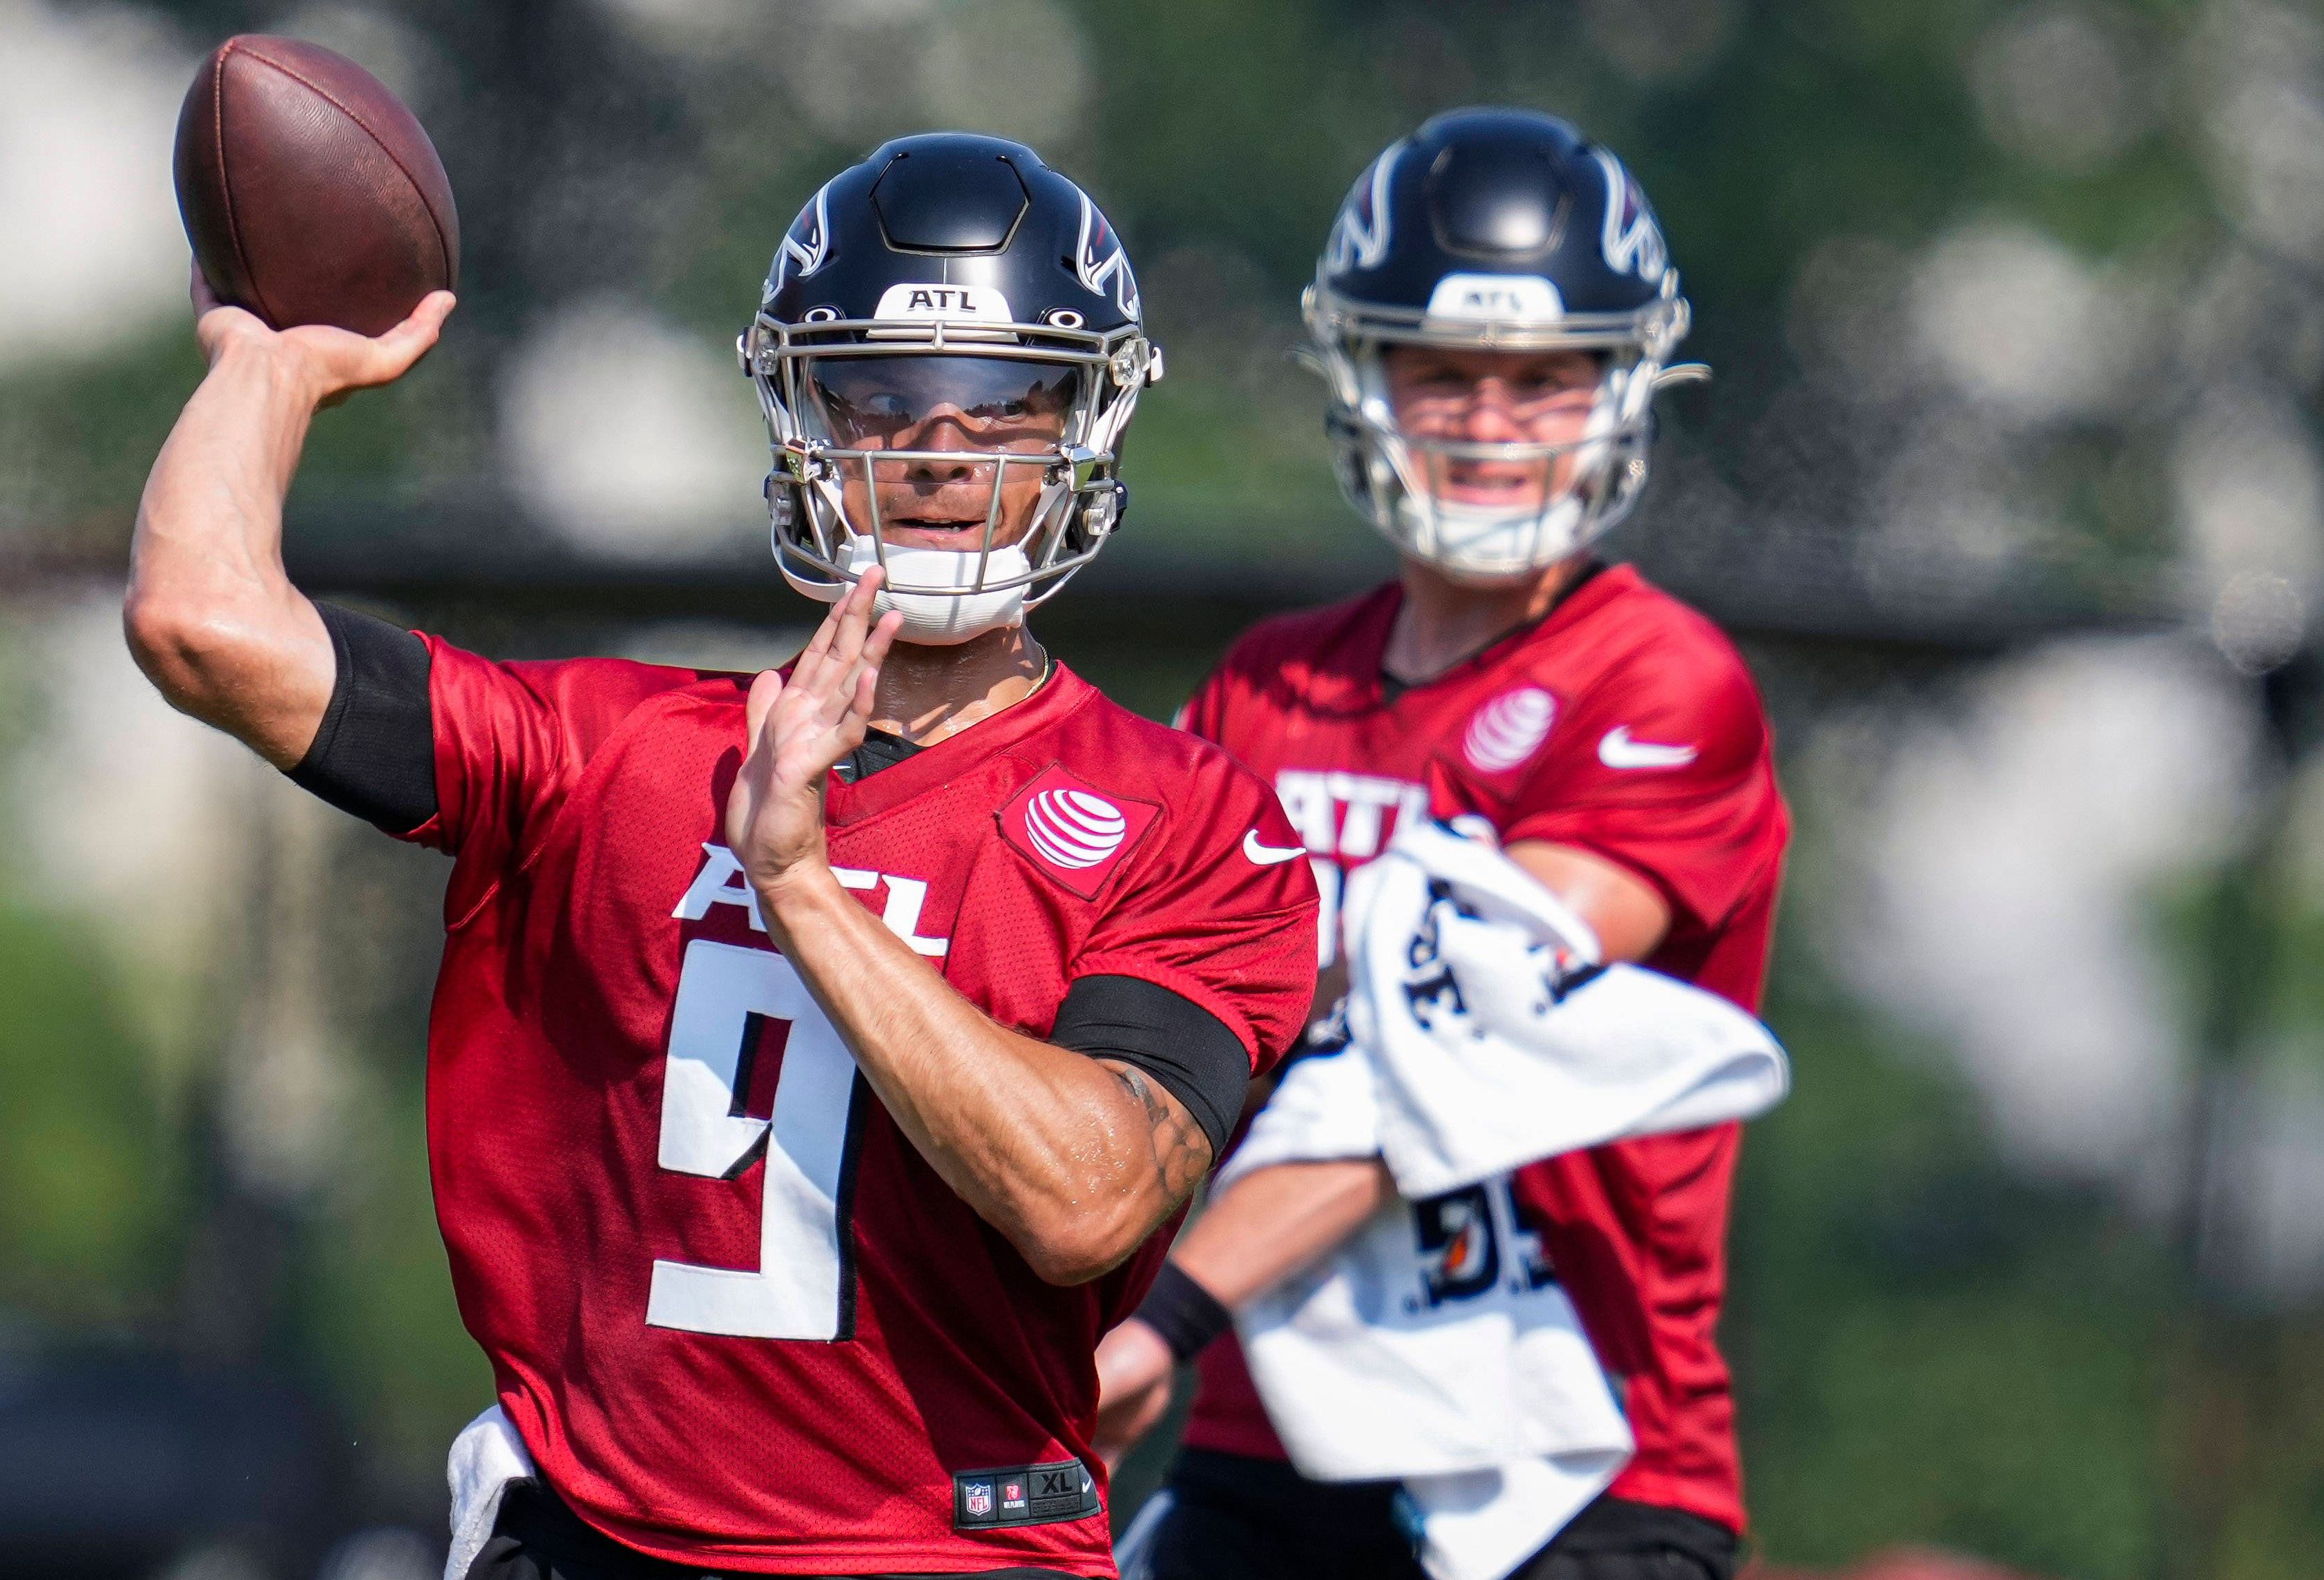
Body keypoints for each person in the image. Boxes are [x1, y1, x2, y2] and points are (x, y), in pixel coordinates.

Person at [124, 132, 1320, 1580]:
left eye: (1004, 400)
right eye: (881, 397)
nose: (939, 453)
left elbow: (1088, 1201)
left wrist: (801, 883)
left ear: (1085, 419)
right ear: (802, 412)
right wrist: (266, 367)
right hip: (599, 1540)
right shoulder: (609, 752)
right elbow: (202, 618)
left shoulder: (1195, 815)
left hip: (944, 1553)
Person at [1092, 109, 1790, 1580]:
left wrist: (1167, 1312)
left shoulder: (1659, 681)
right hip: (1268, 1441)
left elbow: (1453, 1050)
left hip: (1568, 1465)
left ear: (1625, 386)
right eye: (1444, 373)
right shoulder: (1265, 686)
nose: (1487, 423)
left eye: (1542, 382)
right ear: (1364, 372)